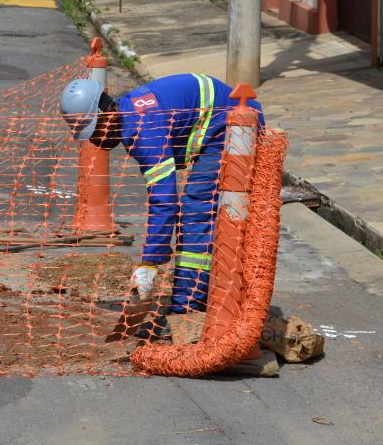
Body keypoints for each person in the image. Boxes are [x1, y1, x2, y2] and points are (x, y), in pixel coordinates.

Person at [60, 73, 262, 339]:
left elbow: (164, 201)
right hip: (225, 117)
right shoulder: (130, 112)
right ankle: (198, 294)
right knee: (198, 211)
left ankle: (186, 307)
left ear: (106, 113)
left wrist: (149, 264)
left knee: (196, 212)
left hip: (232, 124)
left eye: (94, 130)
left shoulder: (144, 131)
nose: (95, 141)